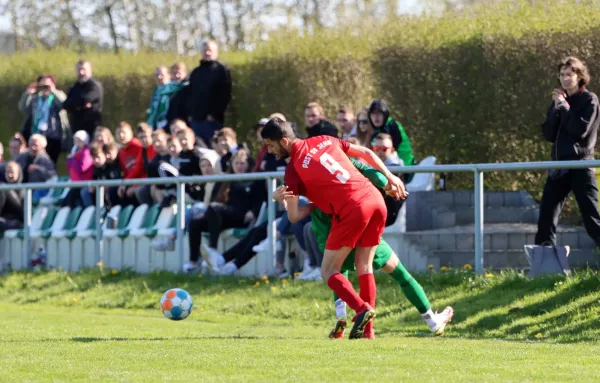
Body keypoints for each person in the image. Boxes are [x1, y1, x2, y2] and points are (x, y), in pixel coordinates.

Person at [273, 159, 453, 339]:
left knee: (336, 272)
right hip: (357, 227)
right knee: (400, 275)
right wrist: (388, 184)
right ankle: (429, 322)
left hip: (330, 234)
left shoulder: (306, 175)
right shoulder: (341, 161)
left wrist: (280, 197)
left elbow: (293, 204)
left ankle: (341, 318)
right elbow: (371, 172)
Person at [261, 117, 406, 339]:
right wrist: (390, 176)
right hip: (375, 200)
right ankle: (369, 332)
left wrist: (279, 198)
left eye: (271, 145)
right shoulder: (324, 139)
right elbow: (366, 154)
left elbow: (294, 216)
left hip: (353, 210)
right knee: (364, 265)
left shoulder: (292, 171)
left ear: (284, 141)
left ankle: (361, 309)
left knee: (328, 271)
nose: (270, 151)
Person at [536, 56, 600, 248]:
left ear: (580, 76)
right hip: (559, 167)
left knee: (592, 218)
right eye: (562, 74)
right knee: (546, 217)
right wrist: (556, 110)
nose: (565, 79)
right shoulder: (558, 101)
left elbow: (579, 130)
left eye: (569, 74)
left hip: (580, 165)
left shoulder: (589, 100)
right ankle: (545, 266)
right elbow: (548, 134)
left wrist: (564, 107)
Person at [368, 99, 415, 182]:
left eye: (379, 113)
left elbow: (388, 153)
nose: (376, 117)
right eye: (373, 114)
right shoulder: (378, 130)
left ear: (385, 114)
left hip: (404, 169)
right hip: (391, 168)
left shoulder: (392, 126)